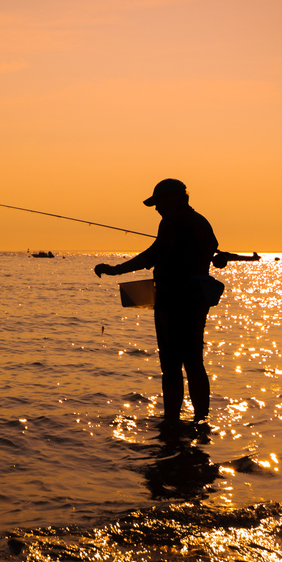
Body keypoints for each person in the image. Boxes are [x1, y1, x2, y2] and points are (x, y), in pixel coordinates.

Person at [94, 179, 218, 424]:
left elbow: (156, 253)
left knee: (171, 365)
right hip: (198, 300)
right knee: (194, 362)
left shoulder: (171, 222)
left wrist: (116, 270)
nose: (157, 209)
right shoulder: (203, 222)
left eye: (158, 203)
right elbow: (210, 249)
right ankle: (201, 420)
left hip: (172, 300)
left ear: (173, 198)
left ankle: (171, 423)